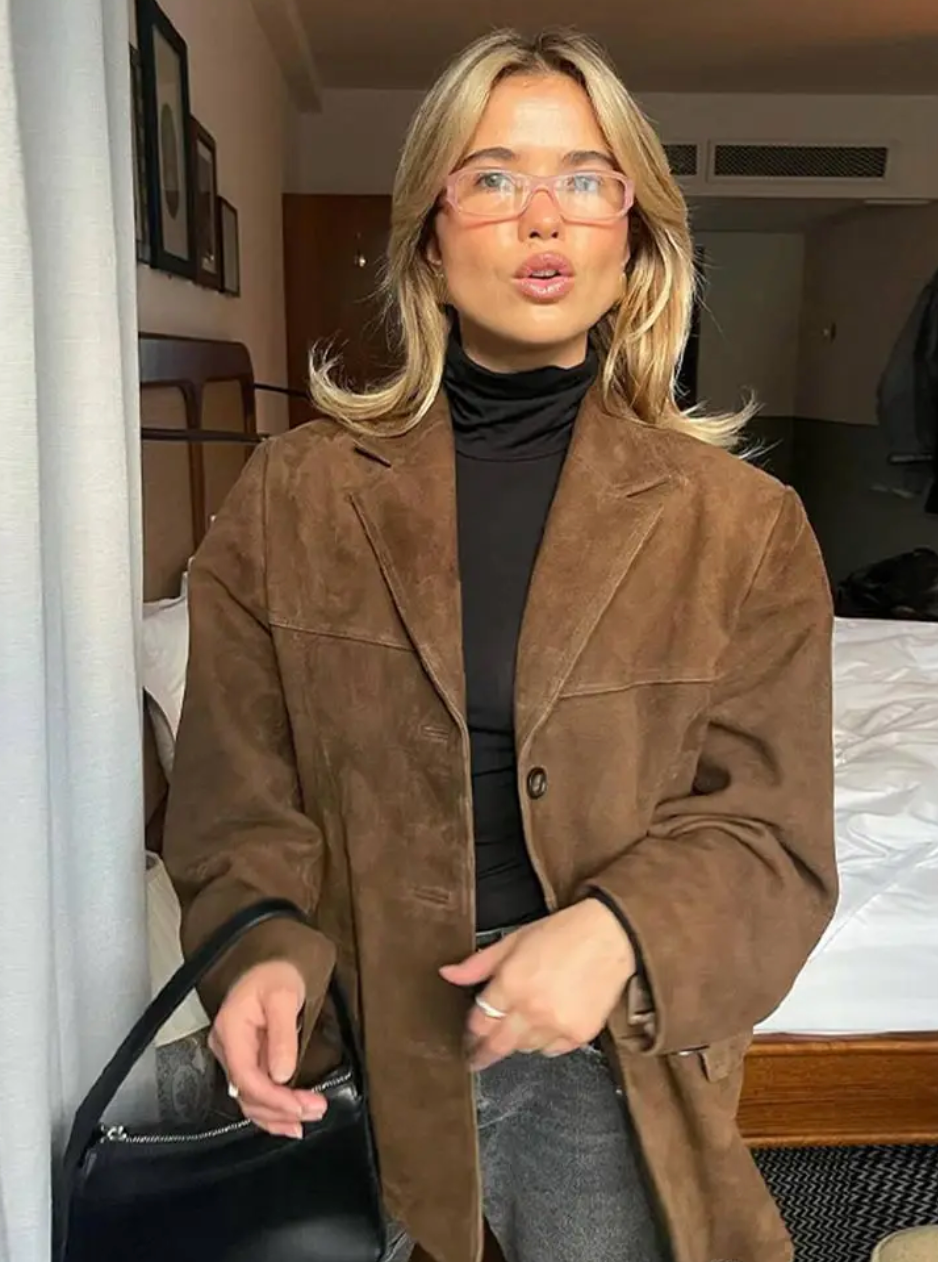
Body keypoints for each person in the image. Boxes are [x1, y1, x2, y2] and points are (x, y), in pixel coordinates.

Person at [162, 27, 836, 1262]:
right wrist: (258, 946)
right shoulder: (291, 495)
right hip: (348, 1026)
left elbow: (771, 836)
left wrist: (618, 926)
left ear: (629, 239)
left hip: (591, 1041)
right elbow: (234, 796)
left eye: (583, 178)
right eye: (491, 176)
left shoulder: (742, 526)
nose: (542, 215)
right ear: (429, 238)